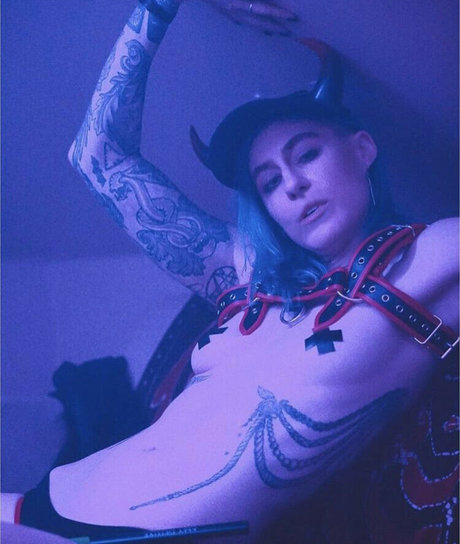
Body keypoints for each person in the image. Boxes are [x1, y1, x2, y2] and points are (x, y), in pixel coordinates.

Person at [4, 0, 458, 542]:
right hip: (40, 502)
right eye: (269, 181)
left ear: (362, 149)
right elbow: (96, 158)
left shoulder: (432, 255)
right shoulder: (246, 277)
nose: (293, 185)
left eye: (306, 154)